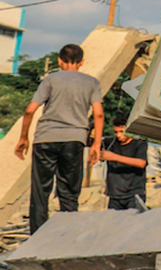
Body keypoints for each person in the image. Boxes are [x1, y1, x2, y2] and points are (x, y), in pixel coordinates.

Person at [13, 44, 104, 233]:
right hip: (75, 139)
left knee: (40, 191)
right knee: (69, 192)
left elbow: (30, 110)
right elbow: (99, 114)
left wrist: (23, 138)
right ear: (82, 62)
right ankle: (67, 237)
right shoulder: (92, 82)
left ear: (59, 61)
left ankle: (37, 238)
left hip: (45, 138)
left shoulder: (50, 80)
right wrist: (96, 144)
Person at [100, 113, 149, 210]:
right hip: (114, 196)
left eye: (122, 132)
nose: (118, 135)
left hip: (134, 194)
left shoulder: (139, 143)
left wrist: (114, 157)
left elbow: (141, 163)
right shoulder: (110, 143)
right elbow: (92, 143)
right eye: (116, 132)